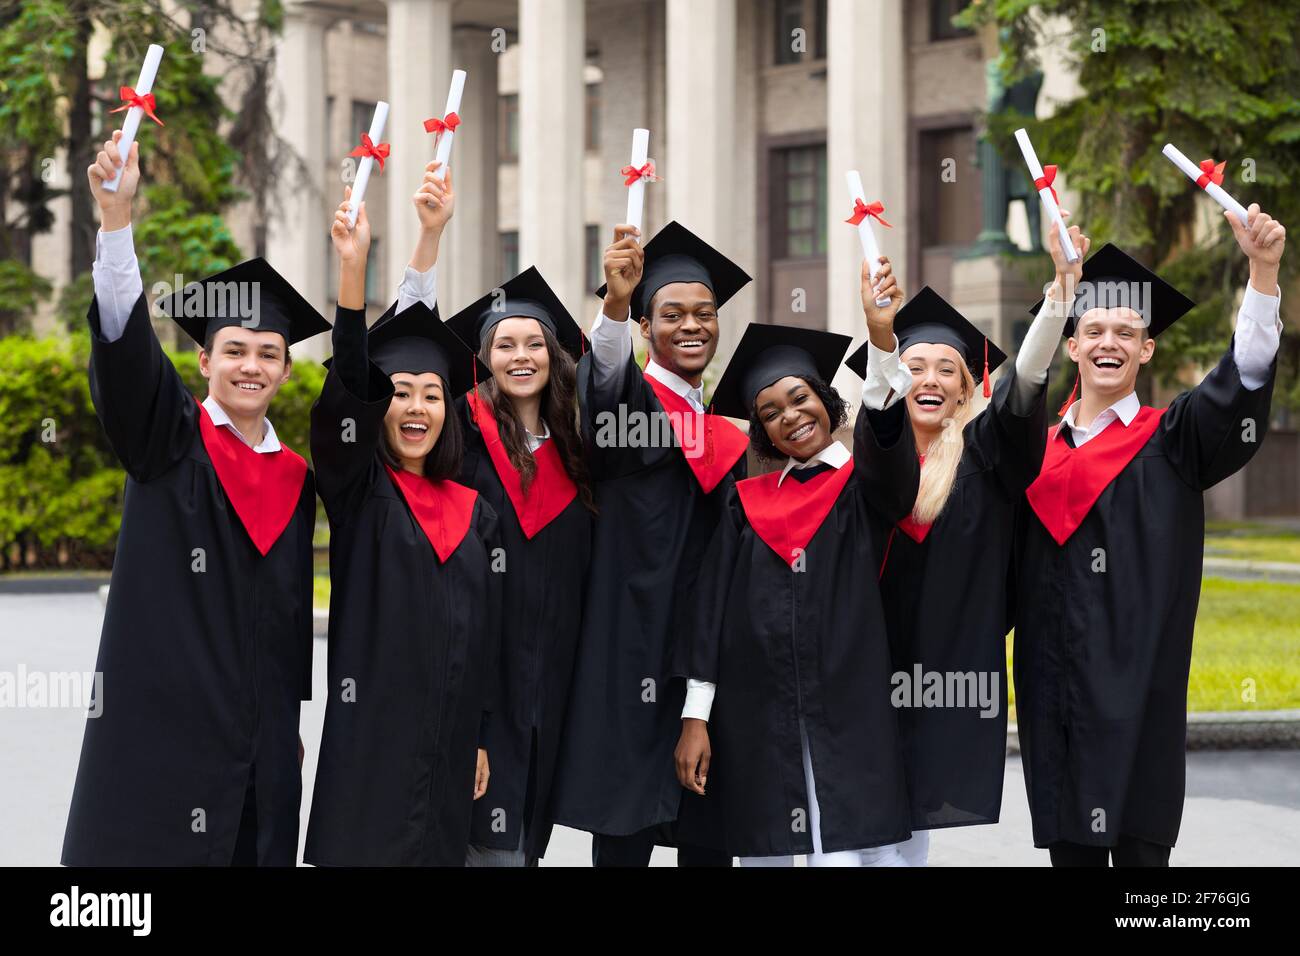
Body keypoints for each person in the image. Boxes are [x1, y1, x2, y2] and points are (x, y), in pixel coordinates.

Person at [63, 131, 327, 866]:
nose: (251, 366)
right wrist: (117, 224)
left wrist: (286, 724)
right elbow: (124, 354)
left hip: (261, 753)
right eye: (235, 350)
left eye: (268, 353)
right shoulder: (167, 441)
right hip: (162, 743)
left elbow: (283, 623)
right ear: (204, 359)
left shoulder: (295, 478)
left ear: (283, 367)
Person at [1014, 205, 1285, 867]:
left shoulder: (1176, 439)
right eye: (1094, 328)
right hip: (1056, 694)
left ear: (1147, 347)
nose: (1109, 342)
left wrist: (1264, 270)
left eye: (1126, 331)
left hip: (1141, 695)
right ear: (1071, 344)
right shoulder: (1030, 455)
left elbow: (1242, 374)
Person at [672, 258, 923, 865]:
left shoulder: (866, 489)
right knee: (769, 851)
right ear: (763, 432)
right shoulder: (745, 504)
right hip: (758, 717)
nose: (791, 416)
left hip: (851, 711)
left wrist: (882, 337)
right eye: (771, 412)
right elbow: (709, 615)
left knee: (854, 852)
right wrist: (695, 717)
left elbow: (890, 446)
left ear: (827, 401)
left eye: (800, 398)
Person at [857, 220, 1086, 866]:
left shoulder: (984, 458)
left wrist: (1061, 297)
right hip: (863, 670)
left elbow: (1022, 388)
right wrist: (881, 340)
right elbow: (882, 445)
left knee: (908, 834)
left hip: (943, 673)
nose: (928, 379)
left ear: (965, 387)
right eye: (913, 367)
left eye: (946, 369)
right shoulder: (867, 457)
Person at [303, 190, 502, 866]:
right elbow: (351, 387)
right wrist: (354, 273)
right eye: (401, 391)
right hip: (371, 757)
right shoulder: (360, 491)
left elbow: (482, 640)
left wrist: (478, 733)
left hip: (448, 760)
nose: (416, 405)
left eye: (433, 392)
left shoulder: (476, 512)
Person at [550, 221, 753, 866]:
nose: (690, 325)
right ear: (645, 328)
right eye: (670, 314)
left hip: (710, 658)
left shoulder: (729, 435)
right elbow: (604, 382)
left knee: (711, 839)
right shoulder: (634, 408)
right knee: (625, 838)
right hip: (628, 654)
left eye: (704, 313)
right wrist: (612, 302)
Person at [445, 267, 596, 866]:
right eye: (505, 344)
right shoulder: (459, 438)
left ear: (554, 355)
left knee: (526, 840)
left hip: (552, 688)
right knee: (483, 842)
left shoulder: (579, 453)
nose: (522, 356)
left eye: (535, 342)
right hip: (483, 678)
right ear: (484, 358)